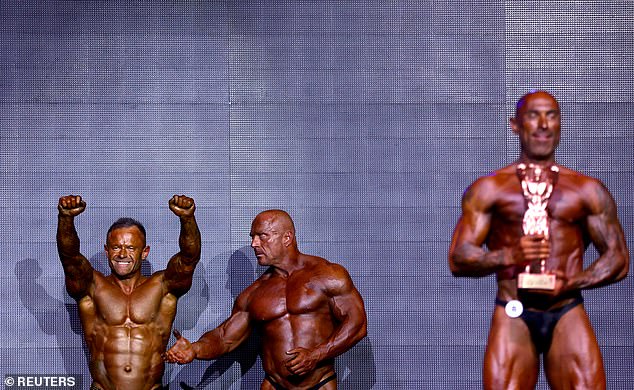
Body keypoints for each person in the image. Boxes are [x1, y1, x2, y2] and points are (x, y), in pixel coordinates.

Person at [448, 90, 630, 390]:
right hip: (513, 309)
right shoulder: (490, 189)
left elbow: (618, 259)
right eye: (533, 115)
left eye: (552, 115)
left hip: (566, 307)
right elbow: (458, 257)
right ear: (515, 124)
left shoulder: (585, 190)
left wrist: (571, 282)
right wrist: (508, 255)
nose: (544, 124)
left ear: (560, 124)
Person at [165, 209, 367, 390]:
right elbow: (225, 336)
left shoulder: (327, 275)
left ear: (287, 238)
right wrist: (194, 348)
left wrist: (316, 355)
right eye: (253, 237)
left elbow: (357, 324)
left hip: (320, 383)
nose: (254, 244)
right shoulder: (254, 293)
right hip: (274, 384)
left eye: (262, 236)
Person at [56, 194, 201, 390]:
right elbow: (70, 259)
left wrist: (187, 219)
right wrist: (66, 219)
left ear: (145, 252)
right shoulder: (92, 286)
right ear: (107, 251)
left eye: (130, 247)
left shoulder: (162, 286)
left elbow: (188, 260)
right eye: (116, 247)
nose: (122, 254)